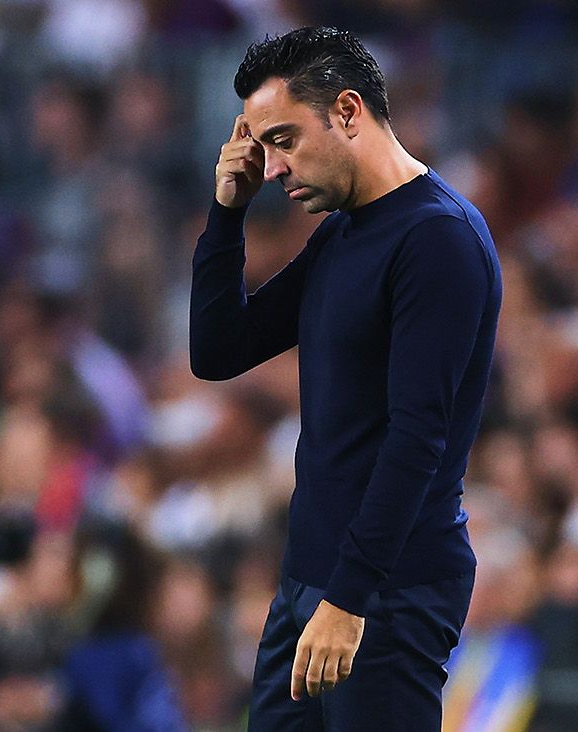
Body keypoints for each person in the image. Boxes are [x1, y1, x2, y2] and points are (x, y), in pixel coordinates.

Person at [189, 26, 503, 730]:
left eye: (284, 140)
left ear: (349, 111)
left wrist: (350, 599)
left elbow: (418, 435)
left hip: (386, 588)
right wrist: (226, 213)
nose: (272, 168)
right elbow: (218, 351)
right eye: (261, 145)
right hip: (313, 578)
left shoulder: (436, 238)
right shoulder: (344, 230)